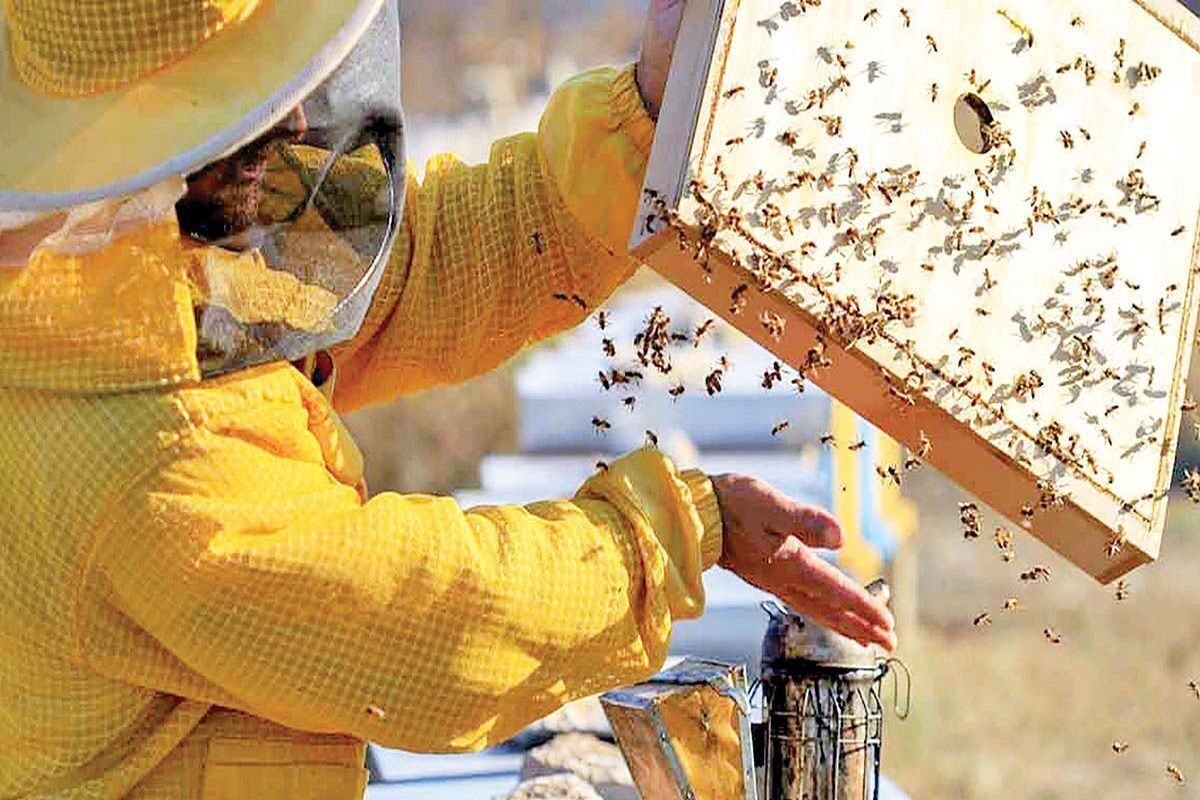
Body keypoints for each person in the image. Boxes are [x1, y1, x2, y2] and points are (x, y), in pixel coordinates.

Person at [0, 0, 896, 797]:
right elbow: (425, 627)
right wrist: (670, 534)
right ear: (146, 130)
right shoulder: (141, 451)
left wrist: (647, 121)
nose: (305, 114)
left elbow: (401, 277)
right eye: (254, 98)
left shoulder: (119, 259)